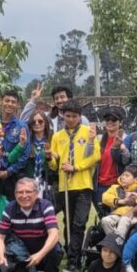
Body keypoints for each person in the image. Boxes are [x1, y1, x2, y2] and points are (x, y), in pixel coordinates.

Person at [0, 174, 63, 272]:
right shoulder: (10, 208)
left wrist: (40, 255)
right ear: (15, 195)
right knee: (3, 254)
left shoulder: (46, 206)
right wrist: (1, 257)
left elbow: (54, 234)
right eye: (20, 192)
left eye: (28, 192)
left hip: (42, 252)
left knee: (55, 250)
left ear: (36, 193)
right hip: (20, 253)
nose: (24, 196)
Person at [48, 103, 100, 257]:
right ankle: (70, 252)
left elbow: (94, 156)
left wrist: (76, 167)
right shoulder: (57, 136)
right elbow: (54, 164)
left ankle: (74, 258)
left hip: (83, 185)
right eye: (68, 116)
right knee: (69, 222)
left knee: (79, 222)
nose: (71, 119)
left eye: (74, 116)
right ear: (63, 115)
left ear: (79, 117)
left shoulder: (88, 132)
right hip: (65, 186)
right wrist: (49, 157)